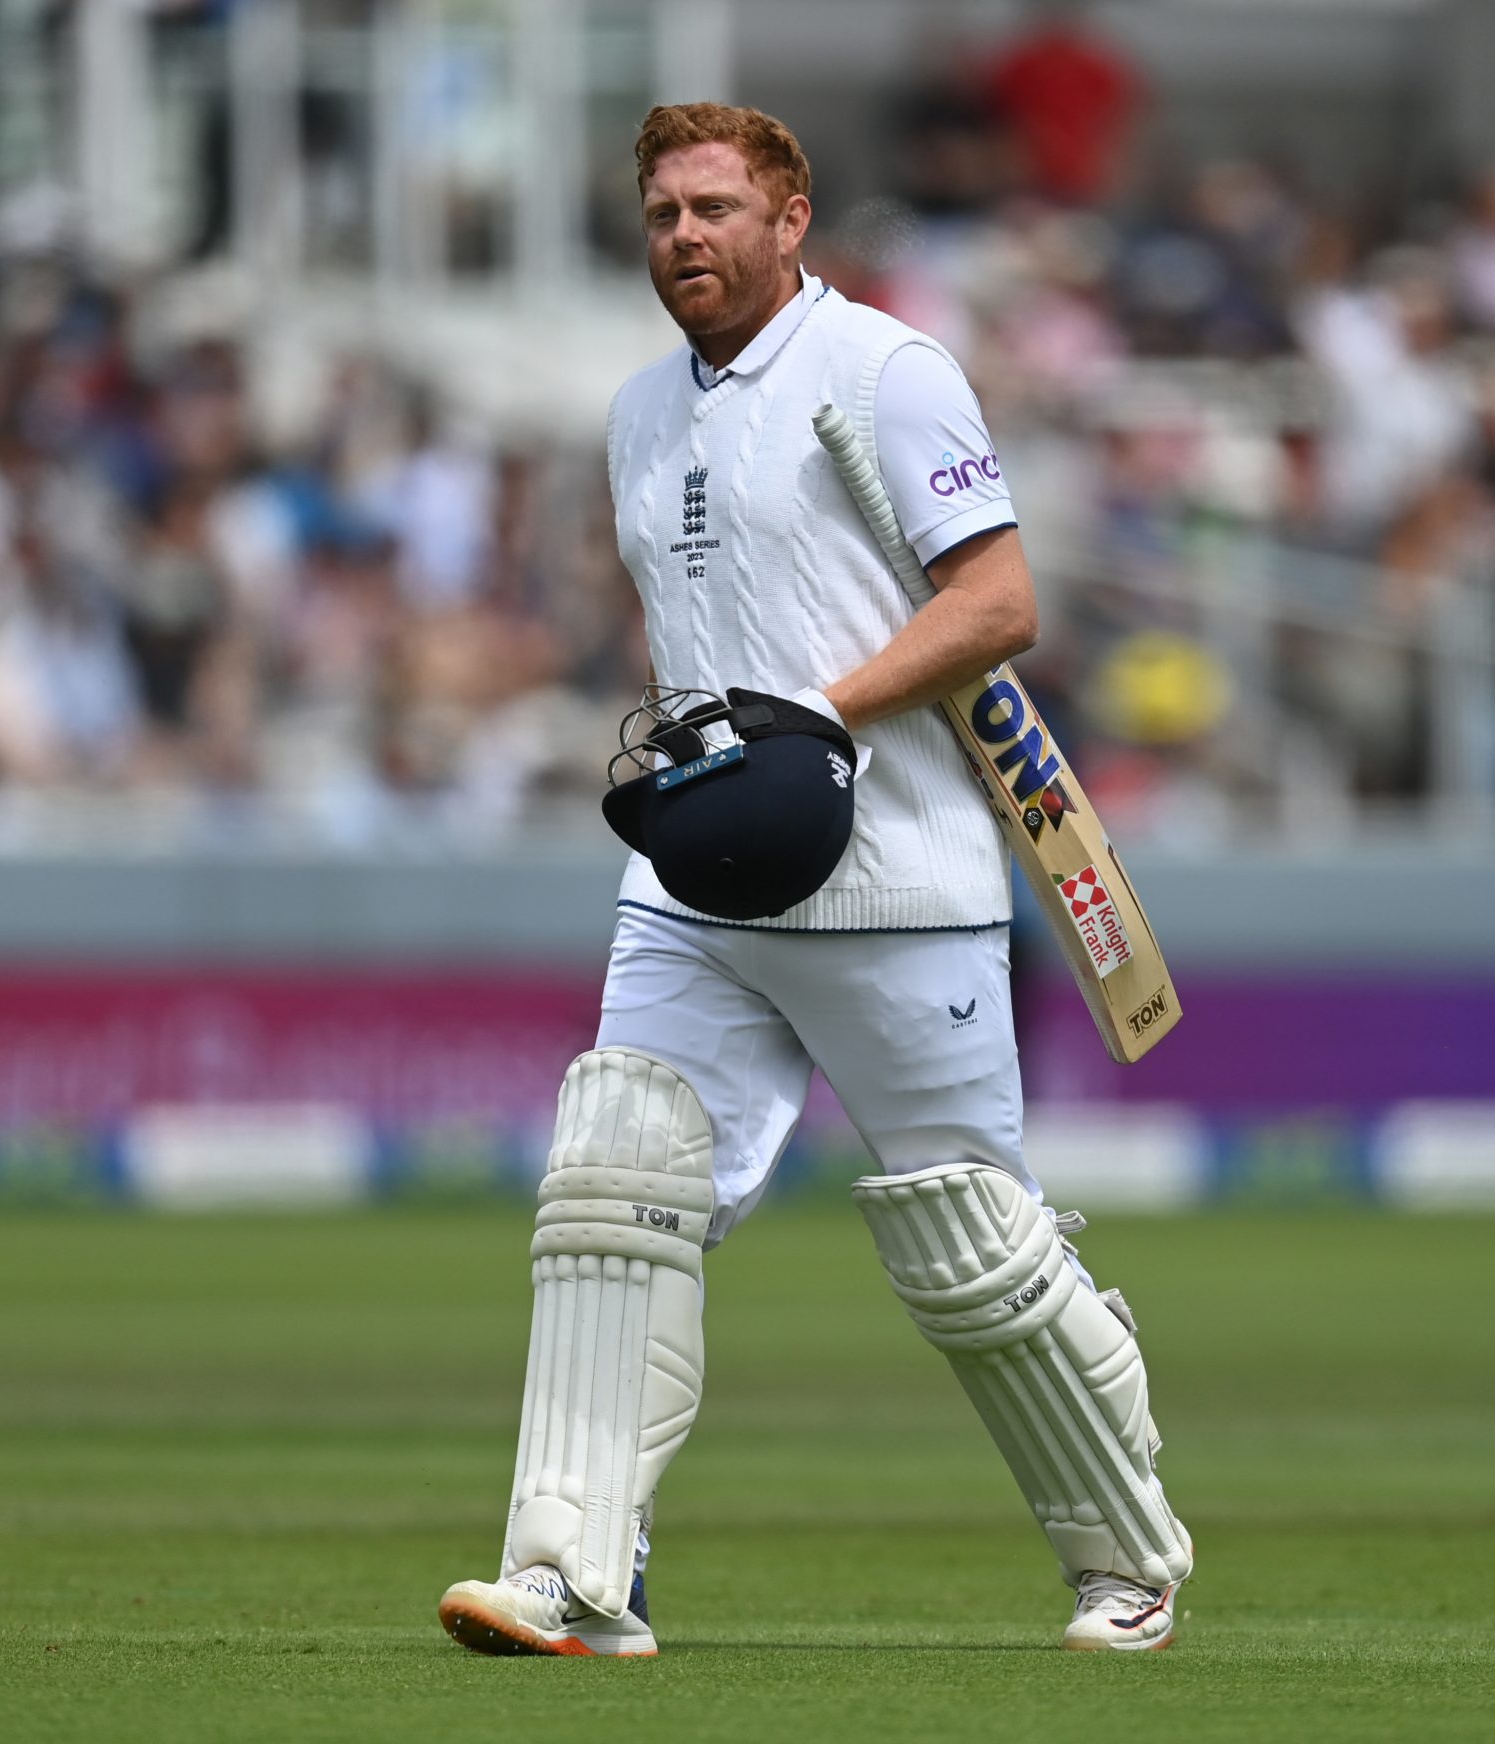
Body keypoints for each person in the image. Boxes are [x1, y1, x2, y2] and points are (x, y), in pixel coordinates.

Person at [436, 102, 1192, 1659]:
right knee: (612, 1189)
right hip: (702, 881)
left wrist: (822, 715)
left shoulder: (889, 375)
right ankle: (576, 1572)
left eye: (715, 208)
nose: (684, 238)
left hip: (902, 878)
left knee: (975, 1243)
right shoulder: (640, 412)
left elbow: (1000, 600)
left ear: (791, 219)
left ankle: (1130, 1558)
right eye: (661, 216)